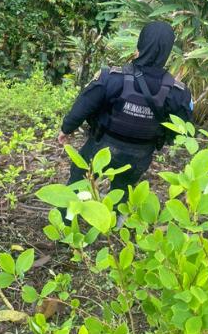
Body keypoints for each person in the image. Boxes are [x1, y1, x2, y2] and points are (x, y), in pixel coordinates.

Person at [57, 21, 193, 201]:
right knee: (122, 191)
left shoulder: (111, 78)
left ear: (141, 44)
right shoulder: (179, 93)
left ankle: (67, 219)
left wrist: (66, 129)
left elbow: (83, 106)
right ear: (168, 51)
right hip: (140, 155)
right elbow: (182, 130)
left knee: (78, 180)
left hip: (100, 148)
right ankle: (115, 224)